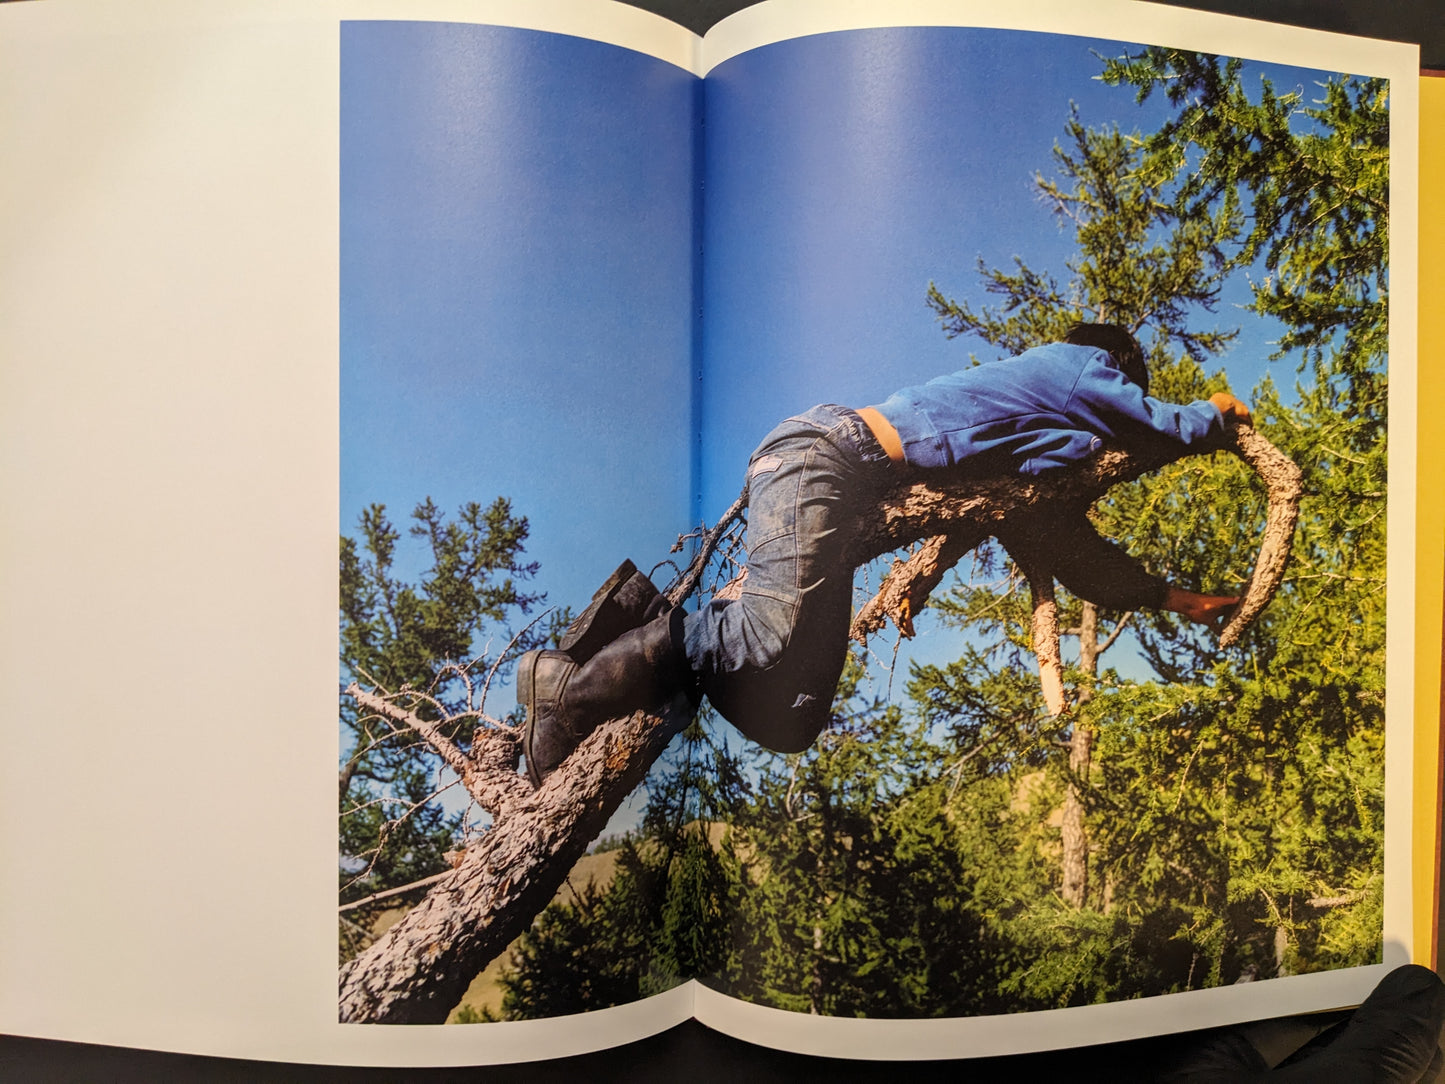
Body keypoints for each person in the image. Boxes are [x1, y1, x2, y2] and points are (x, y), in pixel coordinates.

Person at [518, 324, 1250, 786]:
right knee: (762, 636)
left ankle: (648, 637)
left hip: (844, 488)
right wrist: (1218, 414)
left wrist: (1174, 599)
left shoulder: (1041, 446)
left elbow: (1066, 547)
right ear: (1112, 363)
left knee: (794, 718)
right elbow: (1164, 428)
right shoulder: (1073, 363)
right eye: (1123, 386)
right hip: (822, 456)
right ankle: (565, 689)